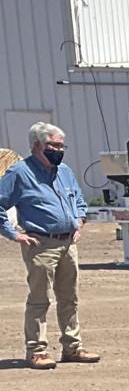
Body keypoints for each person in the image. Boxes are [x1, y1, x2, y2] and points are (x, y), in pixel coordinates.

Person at [1, 121, 99, 369]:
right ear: (36, 146)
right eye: (52, 145)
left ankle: (72, 347)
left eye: (61, 145)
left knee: (69, 298)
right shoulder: (19, 173)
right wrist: (14, 234)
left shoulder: (64, 171)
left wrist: (80, 220)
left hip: (68, 243)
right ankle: (36, 350)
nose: (58, 149)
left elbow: (77, 197)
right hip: (41, 243)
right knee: (39, 298)